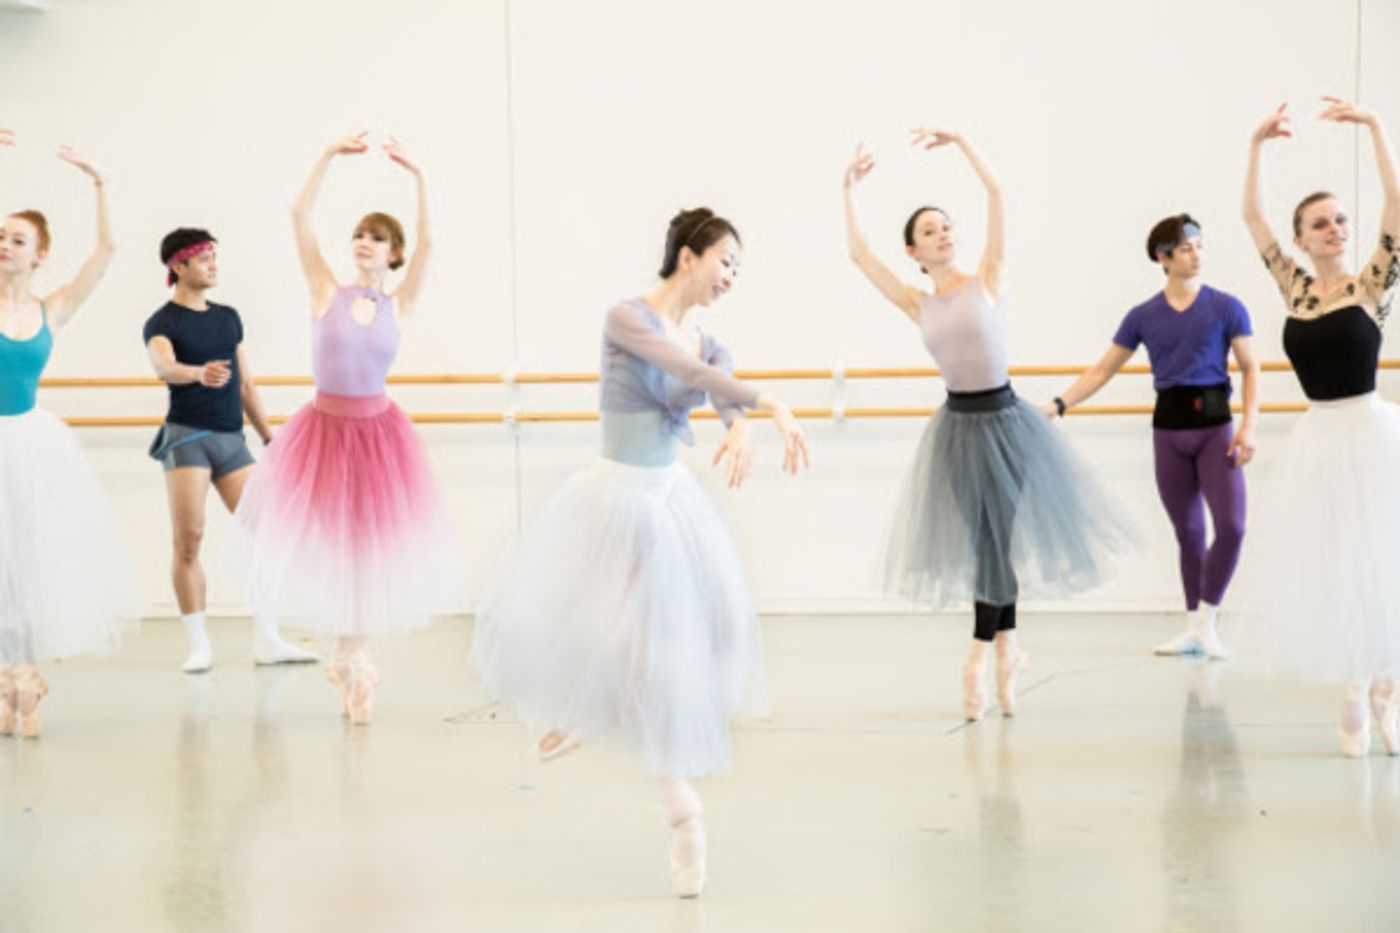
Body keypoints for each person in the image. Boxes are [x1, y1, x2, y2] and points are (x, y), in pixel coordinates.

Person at [471, 207, 810, 897]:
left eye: (738, 267)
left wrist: (741, 425)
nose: (731, 275)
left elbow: (714, 382)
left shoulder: (710, 342)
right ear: (689, 256)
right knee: (642, 646)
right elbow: (684, 369)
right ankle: (682, 810)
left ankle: (594, 714)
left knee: (712, 628)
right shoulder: (627, 319)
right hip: (619, 499)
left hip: (670, 496)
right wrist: (770, 404)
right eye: (725, 260)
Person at [843, 128, 1126, 722]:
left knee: (998, 539)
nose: (942, 234)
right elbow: (861, 258)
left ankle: (978, 656)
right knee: (985, 542)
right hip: (957, 428)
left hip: (1006, 423)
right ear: (914, 252)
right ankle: (1007, 651)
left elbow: (997, 193)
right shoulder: (916, 301)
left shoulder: (987, 279)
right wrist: (849, 190)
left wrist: (964, 143)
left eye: (946, 226)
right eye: (929, 231)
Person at [229, 132, 457, 723]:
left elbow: (430, 240)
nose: (363, 242)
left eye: (376, 237)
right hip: (323, 432)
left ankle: (356, 654)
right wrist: (328, 155)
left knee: (362, 547)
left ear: (393, 254)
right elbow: (298, 215)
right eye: (359, 234)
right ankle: (346, 652)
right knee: (329, 544)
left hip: (377, 435)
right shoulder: (324, 289)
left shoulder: (398, 303)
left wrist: (418, 176)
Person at [1237, 98, 1400, 757]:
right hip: (1320, 441)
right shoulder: (1295, 288)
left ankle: (1385, 682)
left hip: (1370, 436)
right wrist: (1256, 146)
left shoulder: (1372, 285)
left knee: (1380, 560)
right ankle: (1359, 680)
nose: (1335, 230)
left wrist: (1376, 128)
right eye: (1320, 224)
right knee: (1339, 564)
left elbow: (1396, 207)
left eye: (1340, 221)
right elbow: (1253, 219)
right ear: (1301, 239)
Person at [1046, 214, 1259, 659]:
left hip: (1216, 430)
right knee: (1189, 532)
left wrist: (1248, 425)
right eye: (1186, 248)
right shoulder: (1142, 316)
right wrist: (1060, 404)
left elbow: (1250, 366)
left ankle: (1207, 622)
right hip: (1168, 434)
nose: (1196, 254)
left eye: (1200, 245)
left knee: (1232, 527)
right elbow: (1103, 369)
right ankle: (1194, 629)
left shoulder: (1226, 307)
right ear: (1163, 258)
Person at [0, 132, 138, 736]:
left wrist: (99, 180)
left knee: (25, 560)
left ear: (40, 254)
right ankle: (10, 675)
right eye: (0, 237)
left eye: (17, 240)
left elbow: (107, 252)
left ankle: (23, 673)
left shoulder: (51, 309)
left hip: (30, 447)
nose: (5, 246)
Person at [144, 228, 316, 672]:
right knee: (189, 540)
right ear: (178, 266)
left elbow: (246, 383)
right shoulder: (162, 322)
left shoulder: (227, 318)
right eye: (203, 259)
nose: (213, 265)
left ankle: (268, 638)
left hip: (231, 440)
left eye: (214, 257)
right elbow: (163, 365)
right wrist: (196, 373)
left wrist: (269, 436)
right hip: (187, 439)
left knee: (271, 531)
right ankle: (198, 644)